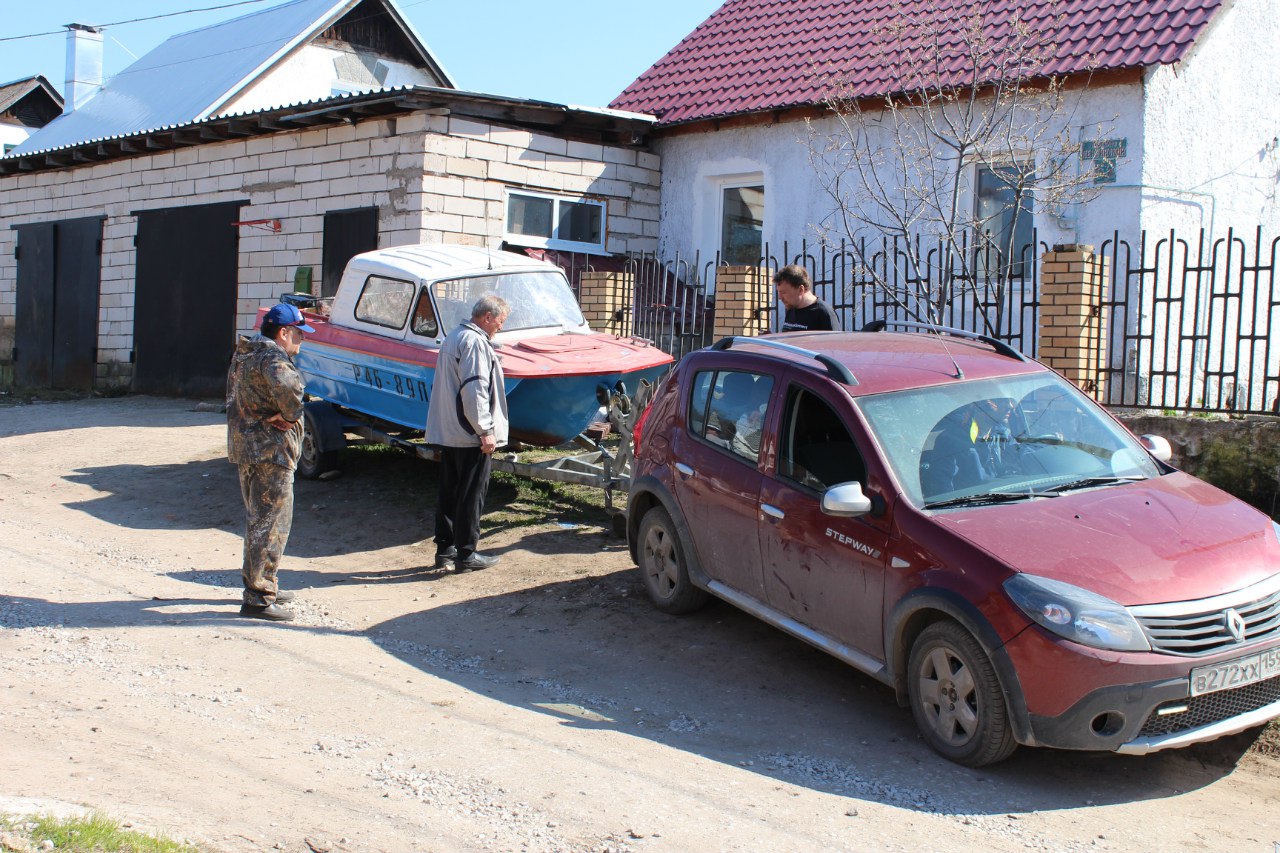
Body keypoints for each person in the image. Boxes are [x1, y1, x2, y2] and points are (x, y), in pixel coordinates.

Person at [226, 302, 314, 622]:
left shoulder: (246, 353)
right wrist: (290, 416)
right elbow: (293, 390)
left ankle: (265, 583)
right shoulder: (273, 357)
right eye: (299, 334)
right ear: (284, 332)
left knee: (261, 521)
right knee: (270, 524)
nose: (302, 340)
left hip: (247, 448)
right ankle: (258, 597)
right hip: (271, 452)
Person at [425, 294, 511, 572]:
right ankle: (467, 554)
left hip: (451, 431)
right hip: (469, 434)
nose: (501, 326)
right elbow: (474, 390)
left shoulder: (455, 336)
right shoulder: (474, 342)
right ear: (488, 317)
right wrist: (485, 430)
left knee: (449, 492)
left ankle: (445, 551)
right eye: (500, 321)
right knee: (471, 494)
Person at [774, 264, 840, 332]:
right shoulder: (791, 308)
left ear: (801, 289)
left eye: (783, 292)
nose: (779, 297)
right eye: (779, 292)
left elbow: (834, 338)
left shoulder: (824, 313)